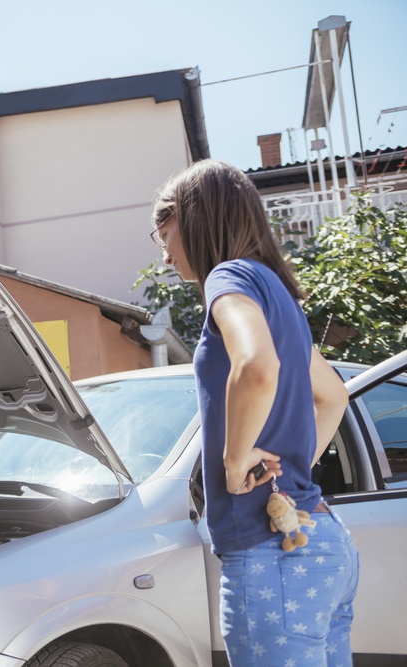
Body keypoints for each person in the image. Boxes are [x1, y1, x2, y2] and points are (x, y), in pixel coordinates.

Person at [150, 159, 357, 666]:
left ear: (196, 218)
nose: (161, 248)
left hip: (272, 557)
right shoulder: (276, 291)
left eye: (163, 228)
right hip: (323, 542)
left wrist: (236, 459)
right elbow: (334, 395)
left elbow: (257, 365)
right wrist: (292, 470)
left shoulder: (228, 278)